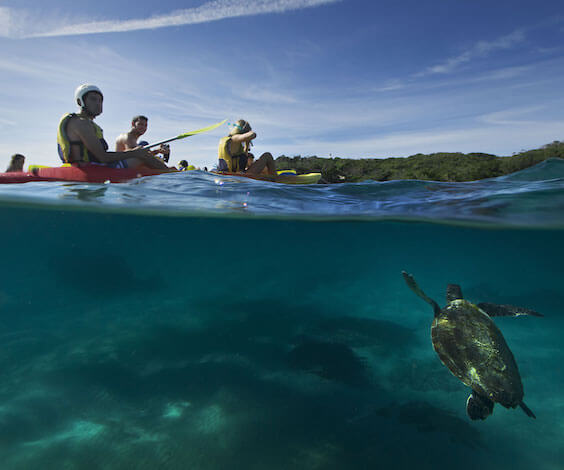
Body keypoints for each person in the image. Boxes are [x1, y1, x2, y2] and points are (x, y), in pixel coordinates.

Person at [57, 84, 169, 169]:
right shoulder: (81, 123)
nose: (98, 103)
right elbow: (102, 157)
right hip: (90, 168)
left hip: (94, 165)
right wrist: (136, 153)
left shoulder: (86, 123)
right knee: (142, 155)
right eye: (93, 99)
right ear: (80, 101)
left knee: (142, 151)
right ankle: (170, 174)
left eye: (100, 100)